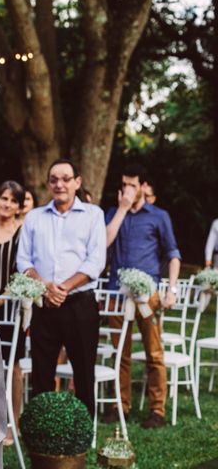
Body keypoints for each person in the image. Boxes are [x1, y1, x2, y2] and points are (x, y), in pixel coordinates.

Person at [17, 158, 106, 416]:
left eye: (66, 179)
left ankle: (83, 434)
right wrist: (45, 286)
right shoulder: (34, 217)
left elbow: (96, 261)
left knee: (83, 371)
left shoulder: (93, 215)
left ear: (77, 182)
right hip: (44, 305)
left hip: (80, 304)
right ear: (48, 184)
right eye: (54, 179)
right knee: (42, 372)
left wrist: (63, 287)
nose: (59, 184)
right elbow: (23, 259)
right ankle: (42, 433)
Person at [105, 163, 181, 429]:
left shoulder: (159, 216)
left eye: (133, 185)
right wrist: (123, 209)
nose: (128, 189)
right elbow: (104, 243)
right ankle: (120, 405)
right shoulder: (114, 213)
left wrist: (170, 290)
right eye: (124, 184)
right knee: (120, 354)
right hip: (117, 293)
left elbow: (172, 254)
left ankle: (157, 410)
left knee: (154, 353)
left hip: (148, 295)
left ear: (143, 187)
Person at [0, 180, 26, 446]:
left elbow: (21, 273)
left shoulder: (21, 233)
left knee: (13, 366)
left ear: (19, 206)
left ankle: (13, 424)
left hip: (9, 308)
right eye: (4, 198)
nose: (7, 204)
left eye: (13, 200)